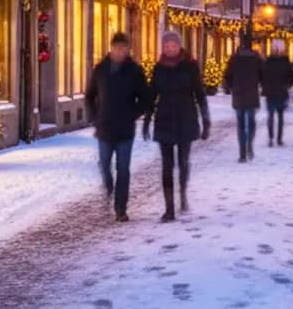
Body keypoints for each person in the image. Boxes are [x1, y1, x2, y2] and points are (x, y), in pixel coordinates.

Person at [84, 32, 153, 222]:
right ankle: (108, 185)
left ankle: (120, 208)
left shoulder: (134, 71)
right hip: (104, 128)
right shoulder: (101, 69)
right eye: (117, 47)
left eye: (124, 48)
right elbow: (89, 95)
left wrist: (133, 114)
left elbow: (145, 98)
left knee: (123, 169)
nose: (120, 51)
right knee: (105, 165)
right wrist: (94, 117)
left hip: (125, 130)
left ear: (128, 49)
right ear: (111, 48)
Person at [144, 31, 211, 222]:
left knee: (183, 162)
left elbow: (200, 94)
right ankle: (169, 208)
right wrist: (147, 119)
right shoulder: (159, 68)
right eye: (166, 46)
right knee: (167, 165)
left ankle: (182, 192)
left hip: (185, 118)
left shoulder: (189, 66)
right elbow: (152, 95)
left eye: (173, 45)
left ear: (179, 46)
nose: (170, 49)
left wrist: (206, 121)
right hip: (164, 120)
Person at [223, 34, 265, 162]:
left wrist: (232, 87)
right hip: (252, 94)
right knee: (251, 123)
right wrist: (258, 84)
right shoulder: (256, 59)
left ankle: (242, 153)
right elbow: (263, 75)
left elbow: (227, 76)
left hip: (238, 95)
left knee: (241, 125)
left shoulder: (234, 59)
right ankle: (249, 145)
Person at [260, 40, 293, 148]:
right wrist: (288, 84)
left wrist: (264, 86)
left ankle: (272, 138)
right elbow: (291, 76)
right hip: (281, 91)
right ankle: (278, 139)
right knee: (279, 116)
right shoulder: (285, 62)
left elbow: (262, 76)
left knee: (272, 115)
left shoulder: (268, 62)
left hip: (272, 92)